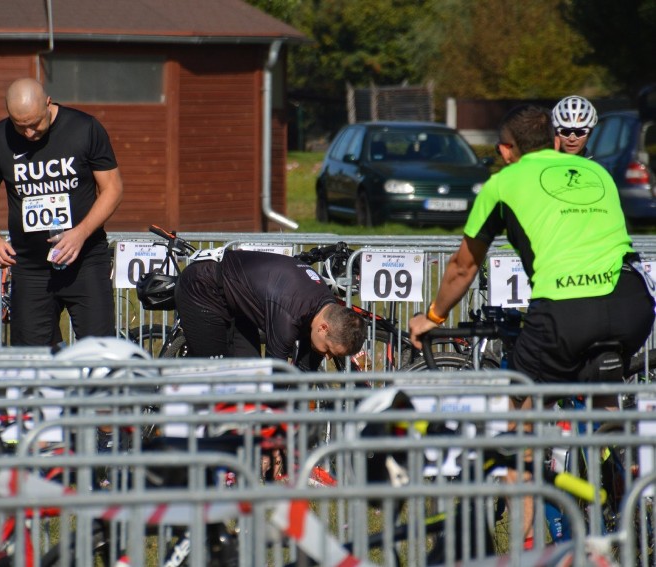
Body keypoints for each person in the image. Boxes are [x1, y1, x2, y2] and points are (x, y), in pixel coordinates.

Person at [409, 103, 655, 548]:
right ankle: (628, 494)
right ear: (556, 138)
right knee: (603, 398)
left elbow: (463, 269)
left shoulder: (502, 183)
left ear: (506, 149)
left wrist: (432, 317)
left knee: (519, 434)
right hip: (634, 303)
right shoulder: (595, 173)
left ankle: (524, 549)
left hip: (564, 313)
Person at [0, 78, 123, 346]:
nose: (30, 133)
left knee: (99, 353)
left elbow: (112, 189)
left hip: (85, 262)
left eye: (35, 124)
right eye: (21, 126)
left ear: (48, 102)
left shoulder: (84, 128)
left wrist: (80, 233)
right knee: (33, 359)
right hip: (31, 269)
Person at [174, 249, 367, 370]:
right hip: (203, 288)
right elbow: (275, 380)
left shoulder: (325, 311)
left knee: (248, 377)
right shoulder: (289, 316)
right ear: (323, 328)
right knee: (216, 377)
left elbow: (305, 372)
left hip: (238, 300)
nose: (328, 357)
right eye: (329, 351)